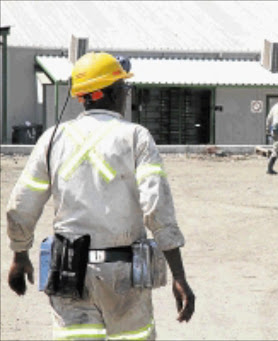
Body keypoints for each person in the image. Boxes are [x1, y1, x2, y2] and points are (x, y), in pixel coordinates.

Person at [6, 52, 195, 340]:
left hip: (69, 273)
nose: (126, 93)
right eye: (124, 87)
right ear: (113, 92)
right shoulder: (136, 137)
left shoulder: (52, 139)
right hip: (125, 275)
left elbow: (21, 206)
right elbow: (157, 209)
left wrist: (20, 254)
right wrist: (179, 276)